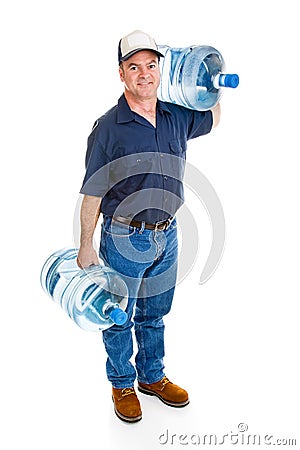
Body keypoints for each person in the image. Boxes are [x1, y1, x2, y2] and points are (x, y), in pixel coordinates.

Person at [77, 30, 221, 423]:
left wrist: (208, 81)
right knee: (117, 314)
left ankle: (152, 377)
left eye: (152, 65)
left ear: (162, 69)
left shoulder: (176, 114)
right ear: (121, 73)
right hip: (123, 235)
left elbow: (214, 115)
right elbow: (92, 192)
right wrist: (86, 245)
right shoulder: (109, 127)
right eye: (135, 66)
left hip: (168, 235)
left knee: (155, 313)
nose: (145, 74)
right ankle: (123, 383)